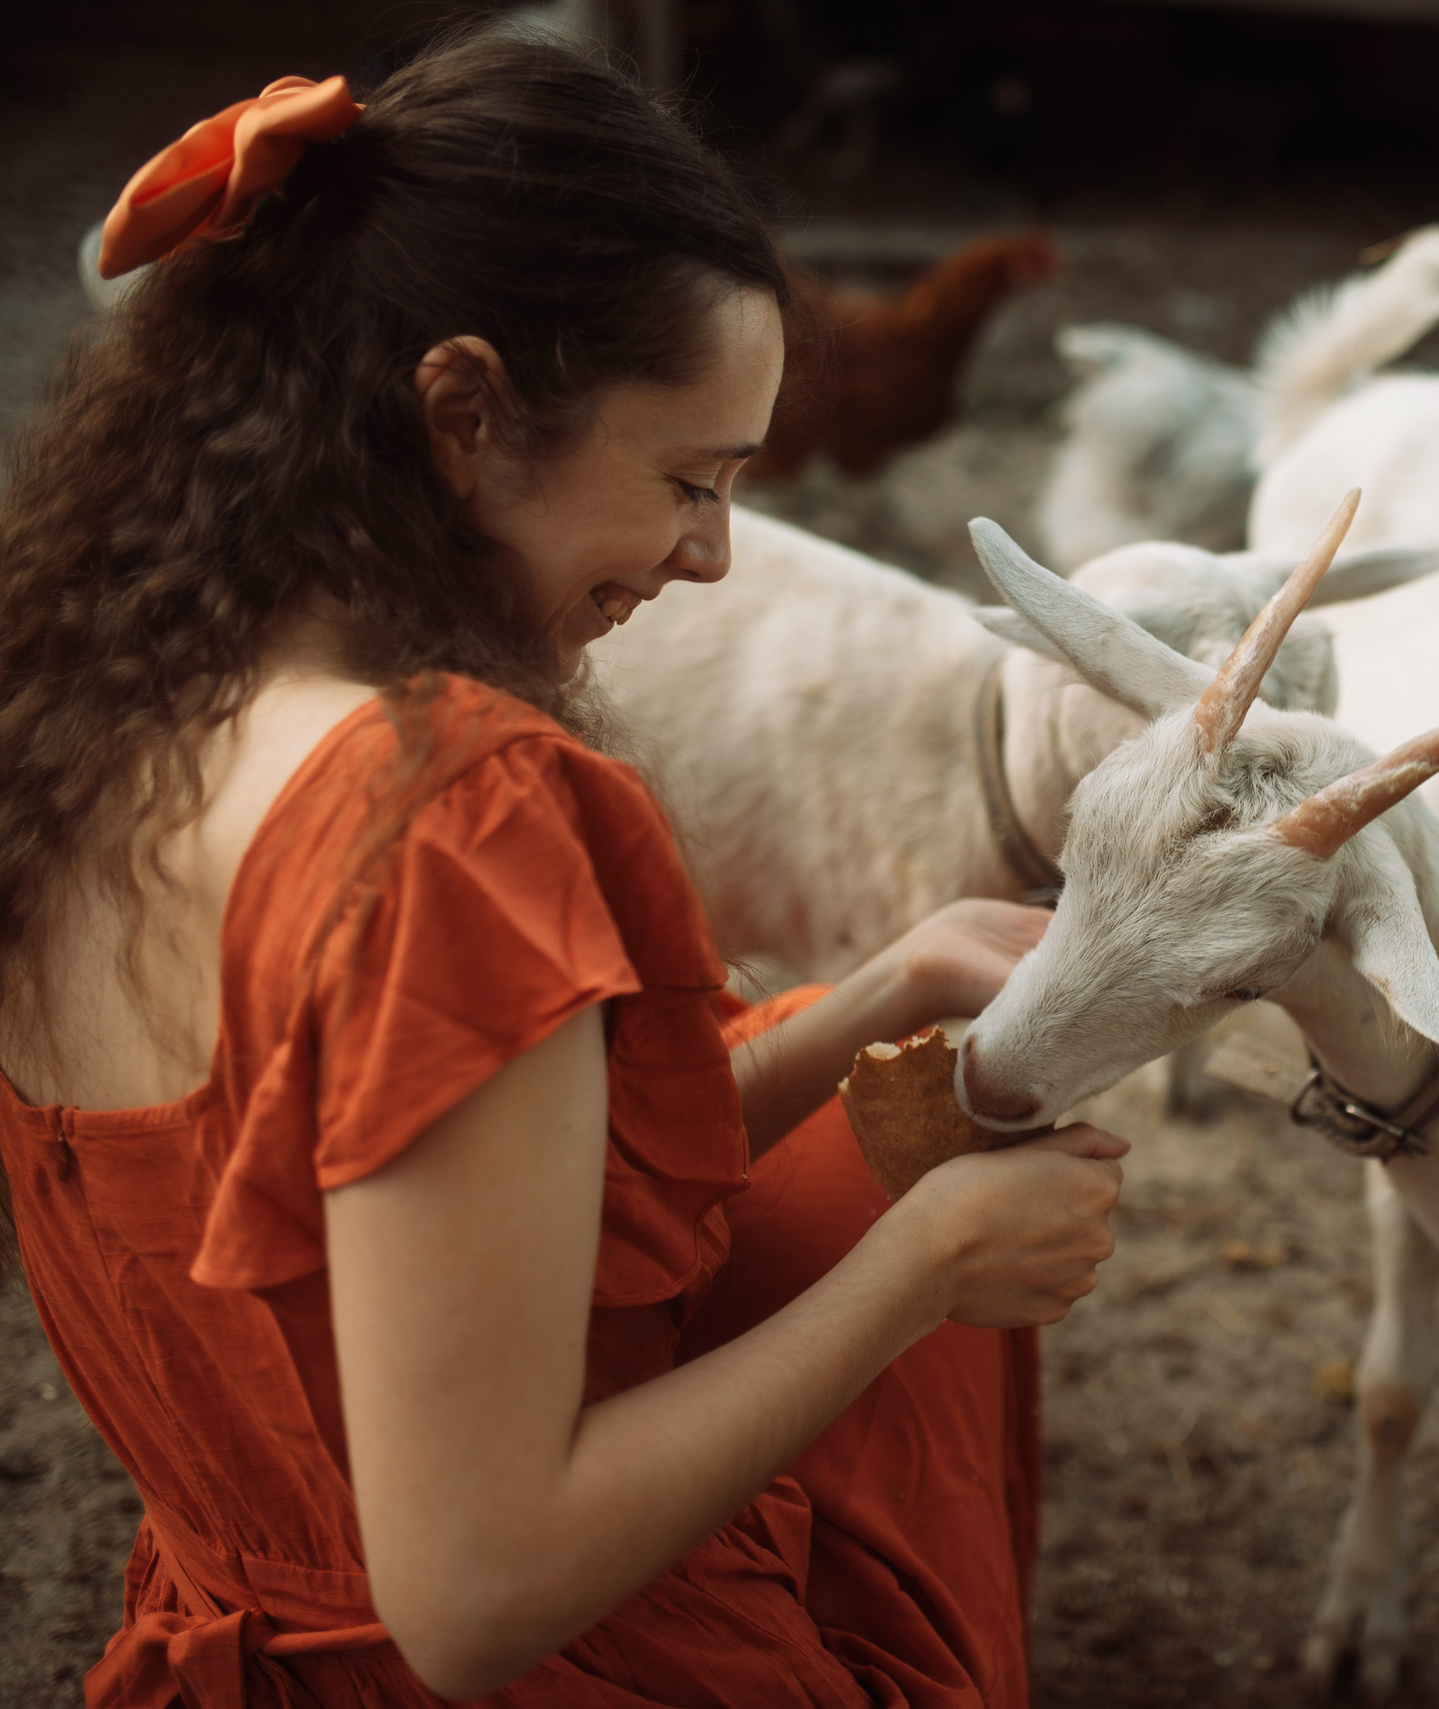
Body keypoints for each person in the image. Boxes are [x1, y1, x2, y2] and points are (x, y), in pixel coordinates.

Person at [0, 31, 1126, 1708]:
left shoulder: (88, 710)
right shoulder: (434, 819)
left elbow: (407, 1227)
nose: (714, 555)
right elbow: (472, 1590)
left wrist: (876, 996)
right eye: (688, 480)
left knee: (832, 1038)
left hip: (229, 1643)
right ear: (463, 412)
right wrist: (930, 1271)